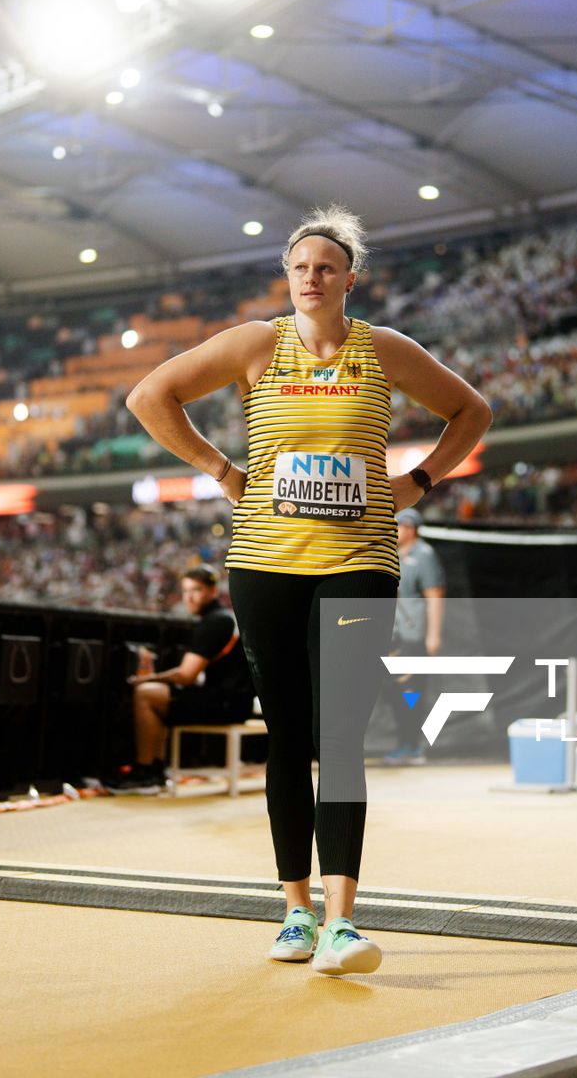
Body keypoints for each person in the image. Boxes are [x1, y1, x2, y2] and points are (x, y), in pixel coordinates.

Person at [126, 205, 491, 975]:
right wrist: (224, 471)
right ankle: (294, 911)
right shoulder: (257, 344)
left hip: (359, 562)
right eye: (299, 267)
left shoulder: (384, 350)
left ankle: (342, 922)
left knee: (341, 741)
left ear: (350, 279)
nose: (311, 278)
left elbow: (472, 411)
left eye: (326, 267)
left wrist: (419, 479)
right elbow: (151, 397)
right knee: (288, 738)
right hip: (265, 565)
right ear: (286, 279)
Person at [110, 566, 249, 792]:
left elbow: (186, 675)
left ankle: (145, 771)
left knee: (146, 694)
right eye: (185, 591)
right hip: (232, 701)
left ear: (213, 591)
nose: (189, 597)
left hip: (227, 704)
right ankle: (153, 769)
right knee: (160, 696)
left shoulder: (215, 622)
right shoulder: (222, 618)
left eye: (196, 590)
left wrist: (145, 679)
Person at [378, 507, 445, 766]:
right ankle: (403, 743)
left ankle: (413, 745)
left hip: (412, 635)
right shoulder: (390, 554)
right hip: (391, 634)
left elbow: (435, 596)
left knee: (412, 690)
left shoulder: (424, 555)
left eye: (400, 526)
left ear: (411, 529)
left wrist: (433, 635)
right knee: (395, 691)